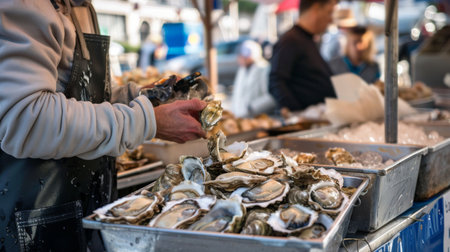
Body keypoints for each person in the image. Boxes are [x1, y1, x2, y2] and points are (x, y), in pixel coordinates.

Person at [0, 0, 206, 251]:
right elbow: (26, 120)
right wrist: (148, 121)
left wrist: (145, 99)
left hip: (89, 202)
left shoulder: (81, 7)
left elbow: (85, 100)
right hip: (33, 220)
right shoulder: (25, 4)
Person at [269, 0, 338, 111]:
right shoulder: (290, 40)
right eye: (329, 12)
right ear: (316, 8)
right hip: (305, 122)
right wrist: (298, 114)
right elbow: (276, 81)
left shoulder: (308, 39)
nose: (330, 19)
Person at [231, 40, 276, 118]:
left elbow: (271, 96)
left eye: (244, 56)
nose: (240, 58)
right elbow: (237, 93)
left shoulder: (264, 68)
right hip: (240, 117)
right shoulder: (242, 69)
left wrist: (251, 108)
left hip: (257, 117)